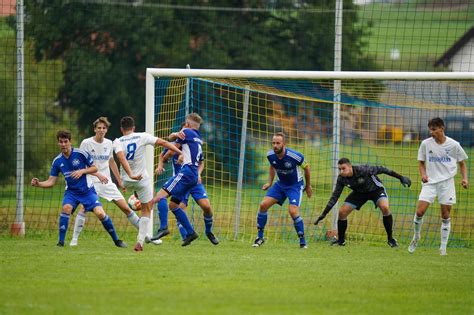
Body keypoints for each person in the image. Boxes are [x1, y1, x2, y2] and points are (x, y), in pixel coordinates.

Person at [69, 117, 162, 246]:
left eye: (104, 128)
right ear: (94, 129)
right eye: (99, 128)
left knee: (126, 208)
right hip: (91, 180)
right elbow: (82, 164)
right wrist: (97, 175)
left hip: (106, 182)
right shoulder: (86, 143)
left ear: (106, 130)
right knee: (84, 208)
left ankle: (146, 236)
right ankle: (74, 240)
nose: (101, 130)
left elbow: (112, 161)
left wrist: (119, 181)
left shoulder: (109, 143)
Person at [30, 130, 126, 248]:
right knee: (66, 208)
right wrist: (39, 184)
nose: (63, 144)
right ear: (58, 143)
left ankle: (117, 241)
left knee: (100, 213)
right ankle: (61, 243)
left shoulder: (81, 154)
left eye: (66, 141)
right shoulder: (57, 161)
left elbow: (94, 168)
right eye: (61, 142)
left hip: (87, 191)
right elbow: (51, 182)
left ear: (70, 142)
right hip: (71, 193)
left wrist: (82, 171)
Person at [113, 116, 183, 252]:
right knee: (146, 209)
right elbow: (163, 142)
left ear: (121, 129)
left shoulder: (117, 141)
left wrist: (129, 175)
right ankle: (140, 242)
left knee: (134, 203)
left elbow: (121, 158)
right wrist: (180, 152)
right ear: (133, 128)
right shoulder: (142, 136)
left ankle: (134, 198)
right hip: (142, 180)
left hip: (126, 180)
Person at [314, 157, 411, 247]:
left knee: (385, 208)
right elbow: (334, 197)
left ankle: (390, 239)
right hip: (359, 193)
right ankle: (341, 241)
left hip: (376, 190)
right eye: (339, 169)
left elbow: (383, 169)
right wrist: (323, 214)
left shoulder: (364, 170)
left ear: (350, 166)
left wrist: (400, 177)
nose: (341, 171)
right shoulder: (341, 178)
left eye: (343, 168)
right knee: (342, 212)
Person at [408, 117, 468, 256]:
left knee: (445, 216)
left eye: (434, 129)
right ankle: (416, 237)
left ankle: (443, 248)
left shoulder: (454, 145)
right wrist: (423, 175)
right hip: (430, 183)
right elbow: (421, 163)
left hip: (447, 183)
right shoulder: (425, 144)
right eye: (430, 129)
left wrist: (464, 179)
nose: (431, 132)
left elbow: (462, 163)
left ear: (442, 128)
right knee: (419, 212)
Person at [155, 126, 219, 245]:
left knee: (206, 206)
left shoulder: (194, 144)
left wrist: (199, 174)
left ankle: (208, 232)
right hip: (181, 180)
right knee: (177, 207)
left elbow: (201, 163)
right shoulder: (174, 144)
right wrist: (161, 165)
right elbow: (163, 155)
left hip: (193, 179)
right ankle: (187, 236)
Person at [150, 113, 204, 247]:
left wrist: (166, 157)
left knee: (159, 197)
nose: (184, 126)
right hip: (193, 176)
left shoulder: (186, 131)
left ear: (188, 125)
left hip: (186, 172)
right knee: (173, 206)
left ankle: (163, 228)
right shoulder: (198, 138)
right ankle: (191, 233)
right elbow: (173, 140)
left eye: (186, 124)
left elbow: (171, 143)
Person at [252, 132, 312, 249]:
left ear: (284, 144)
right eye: (273, 143)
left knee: (293, 211)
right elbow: (272, 166)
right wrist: (269, 183)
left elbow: (307, 168)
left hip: (295, 186)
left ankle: (303, 242)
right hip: (280, 185)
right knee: (263, 205)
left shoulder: (295, 156)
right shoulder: (270, 155)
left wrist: (308, 186)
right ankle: (260, 238)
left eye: (278, 143)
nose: (275, 145)